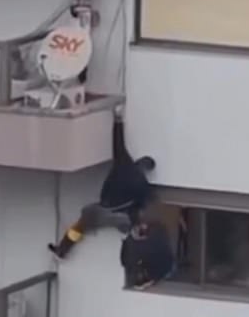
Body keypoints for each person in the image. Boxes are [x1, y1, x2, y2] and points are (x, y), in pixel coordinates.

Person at [49, 110, 156, 259]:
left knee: (79, 227)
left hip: (102, 210)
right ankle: (133, 238)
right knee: (129, 222)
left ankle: (63, 250)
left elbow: (118, 143)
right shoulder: (143, 185)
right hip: (120, 218)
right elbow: (143, 204)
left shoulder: (125, 165)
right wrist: (137, 223)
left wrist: (118, 120)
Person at [120, 211, 175, 290]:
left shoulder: (129, 263)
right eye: (139, 277)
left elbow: (127, 242)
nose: (138, 274)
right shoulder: (160, 269)